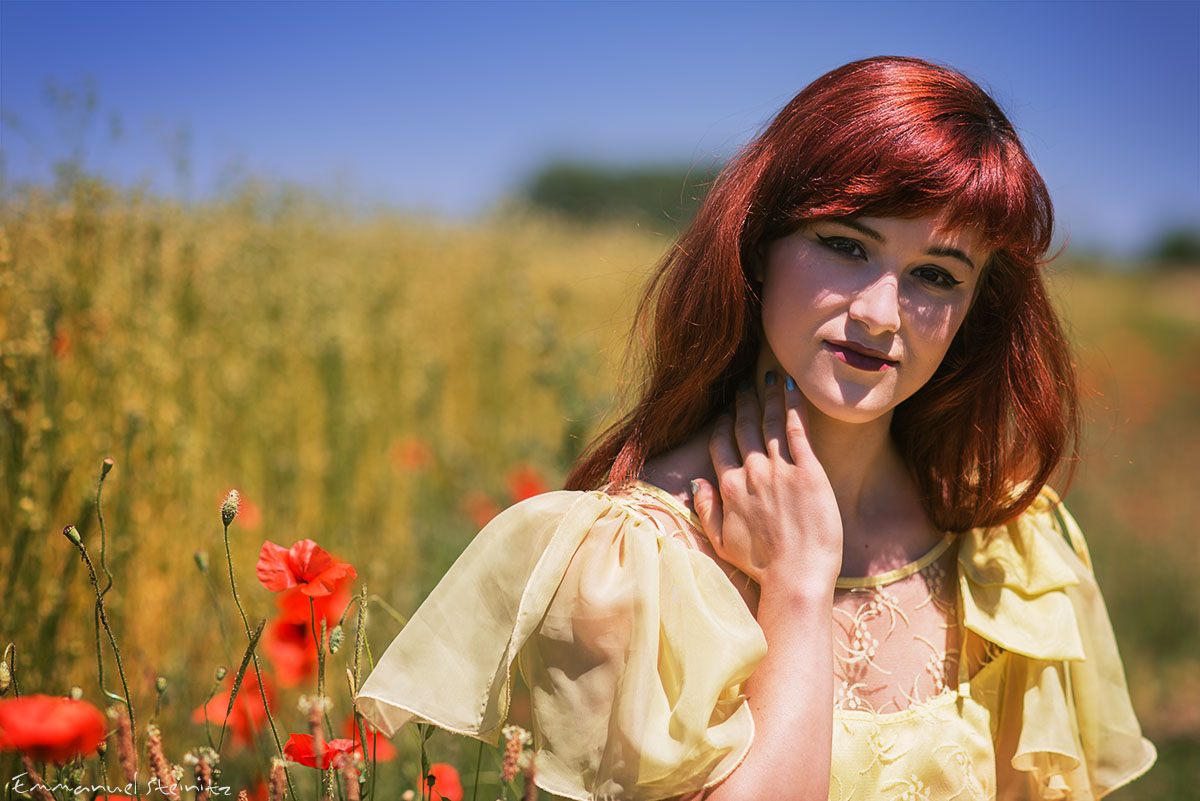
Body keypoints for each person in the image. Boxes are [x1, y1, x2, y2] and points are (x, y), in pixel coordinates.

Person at [356, 56, 1156, 800]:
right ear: (760, 243)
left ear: (973, 309)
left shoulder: (1007, 544)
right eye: (846, 244)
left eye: (935, 275)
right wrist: (800, 587)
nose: (882, 313)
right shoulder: (624, 563)